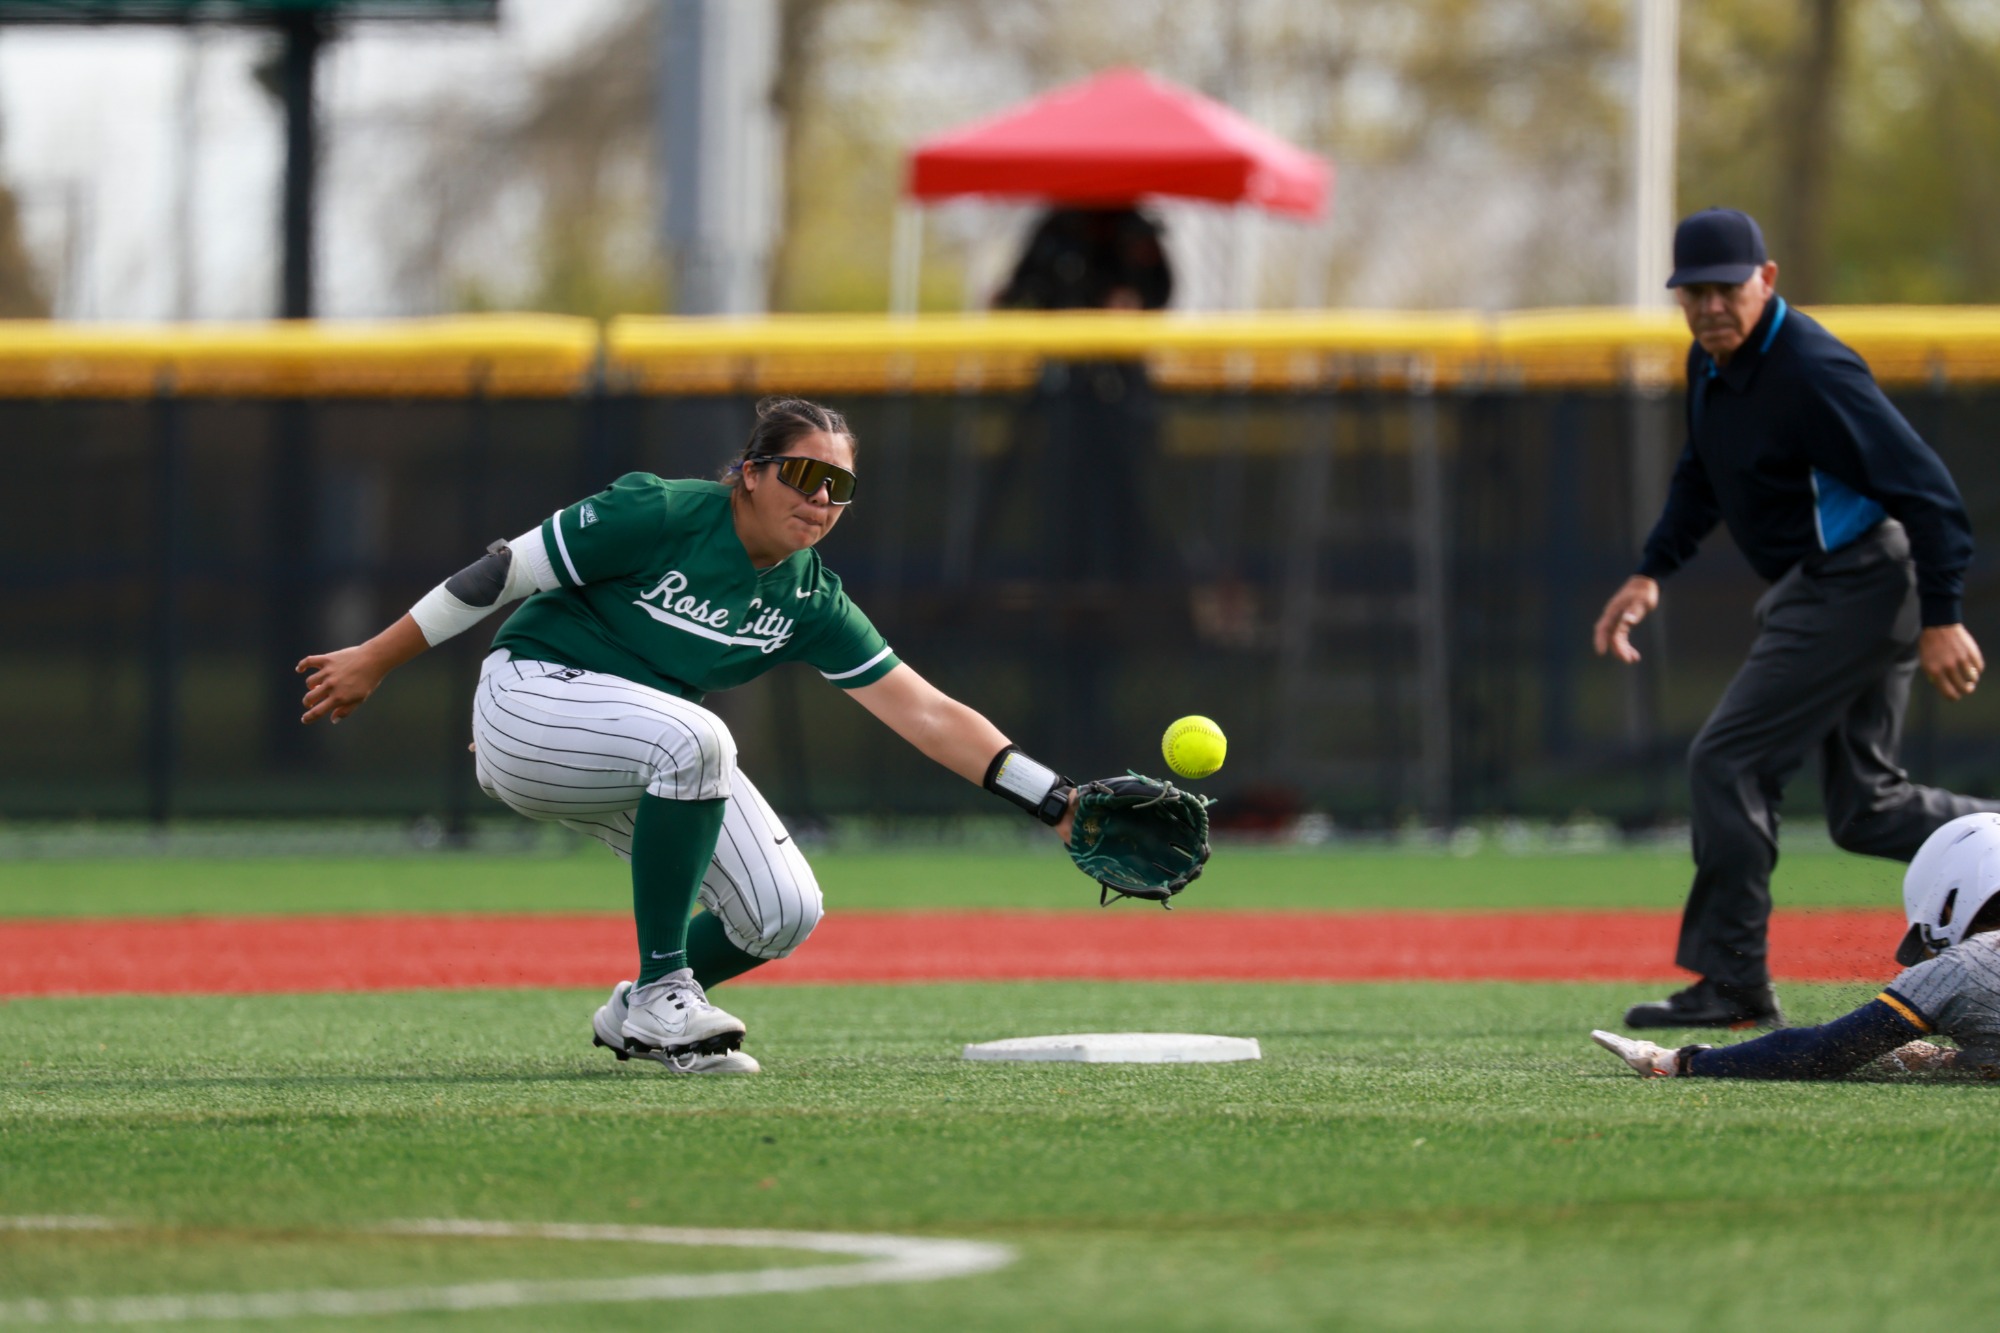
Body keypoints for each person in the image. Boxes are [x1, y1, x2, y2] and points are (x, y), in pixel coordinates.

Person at [296, 398, 1081, 1075]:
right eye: (804, 474)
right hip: (529, 699)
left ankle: (639, 1005)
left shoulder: (809, 597)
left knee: (785, 910)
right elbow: (501, 572)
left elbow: (928, 713)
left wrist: (1056, 801)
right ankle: (668, 991)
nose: (822, 498)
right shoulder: (661, 512)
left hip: (635, 746)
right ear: (750, 470)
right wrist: (374, 658)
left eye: (840, 487)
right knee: (699, 736)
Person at [1593, 207, 1999, 1030]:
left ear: (1766, 279)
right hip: (1830, 586)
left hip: (1856, 584)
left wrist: (1944, 617)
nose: (1710, 306)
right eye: (1693, 292)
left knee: (1726, 761)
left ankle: (1733, 980)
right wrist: (1650, 571)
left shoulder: (1812, 369)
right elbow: (1699, 474)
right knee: (1866, 810)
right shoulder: (1712, 365)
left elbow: (1930, 493)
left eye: (1726, 288)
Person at [1593, 812, 2000, 1080]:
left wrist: (1681, 1061)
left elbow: (1816, 1053)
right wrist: (1940, 1060)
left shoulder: (1960, 967)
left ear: (1949, 901)